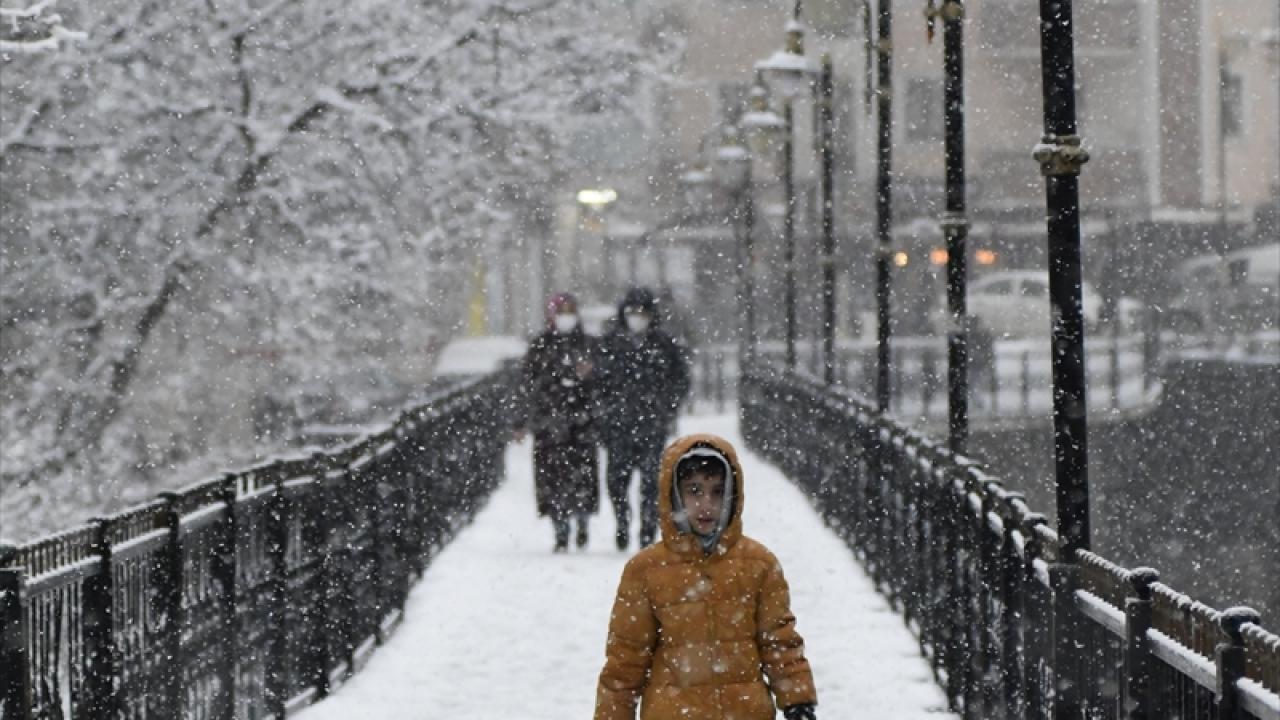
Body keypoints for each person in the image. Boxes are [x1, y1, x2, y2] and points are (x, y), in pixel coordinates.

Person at [594, 434, 818, 720]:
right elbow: (625, 663)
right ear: (675, 494)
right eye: (694, 491)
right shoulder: (646, 571)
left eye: (717, 492)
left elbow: (779, 642)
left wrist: (798, 701)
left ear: (732, 496)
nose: (706, 504)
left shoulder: (759, 564)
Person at [595, 287, 690, 550]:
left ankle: (647, 528)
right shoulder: (610, 344)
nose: (637, 318)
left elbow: (680, 379)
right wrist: (605, 411)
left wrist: (667, 407)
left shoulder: (663, 345)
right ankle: (622, 520)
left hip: (652, 424)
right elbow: (598, 383)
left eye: (642, 313)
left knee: (651, 481)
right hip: (618, 425)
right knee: (617, 480)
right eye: (632, 312)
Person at [519, 292, 600, 552]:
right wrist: (522, 420)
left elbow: (602, 383)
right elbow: (527, 384)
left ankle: (582, 521)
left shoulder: (588, 344)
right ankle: (560, 530)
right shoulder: (541, 345)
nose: (566, 317)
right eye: (561, 312)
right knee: (552, 478)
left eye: (570, 311)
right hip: (549, 424)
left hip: (581, 424)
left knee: (583, 476)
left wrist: (587, 383)